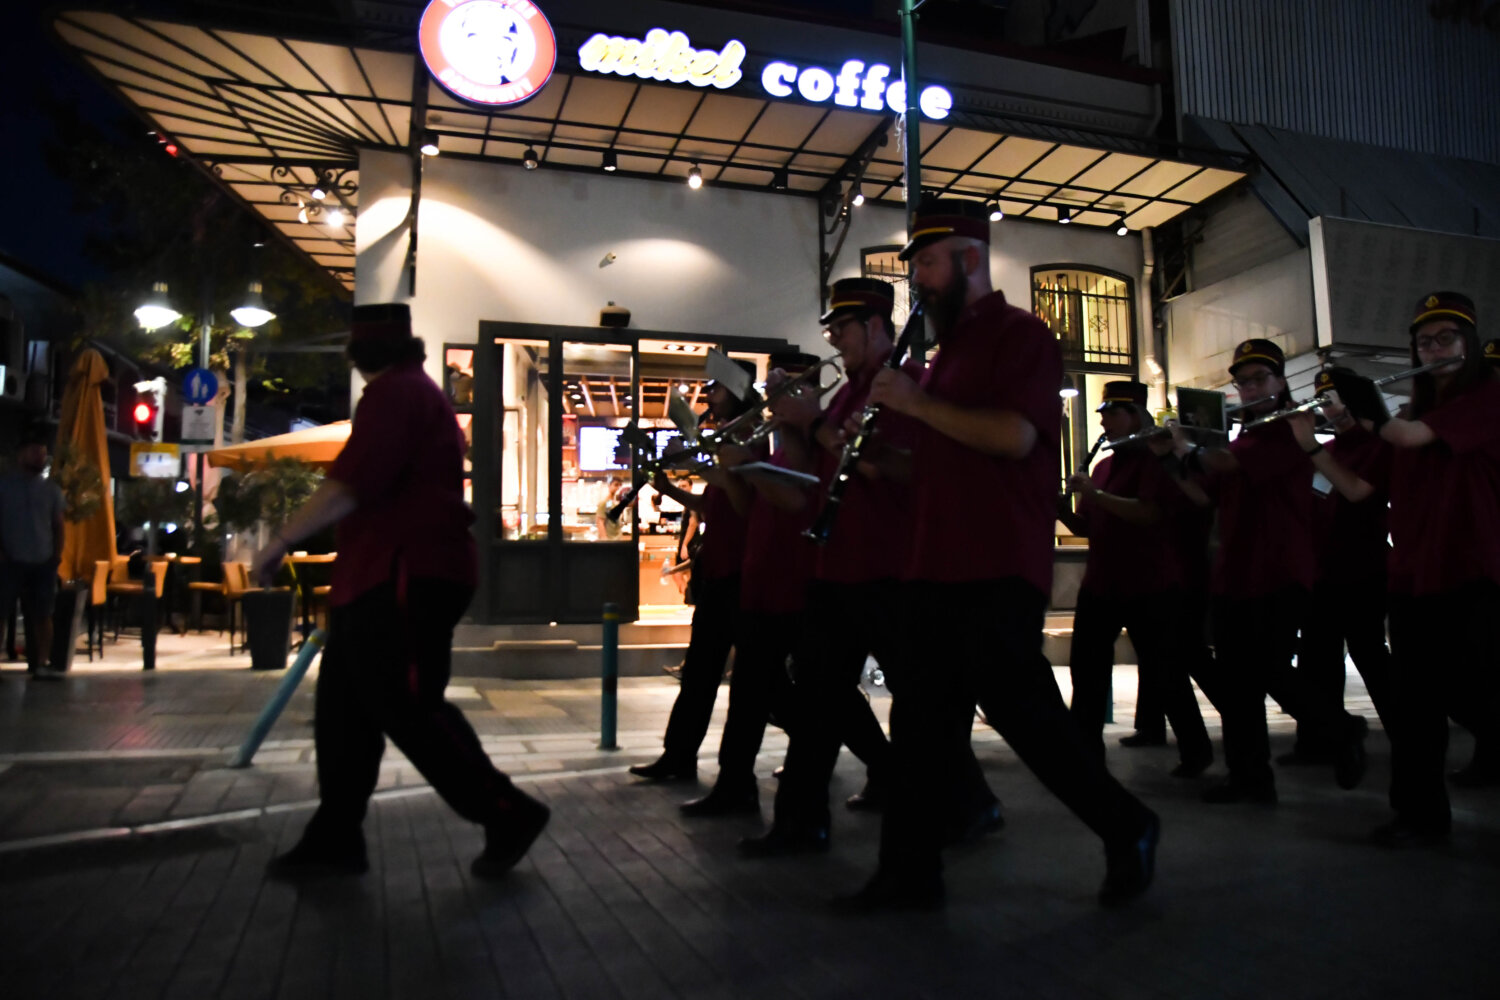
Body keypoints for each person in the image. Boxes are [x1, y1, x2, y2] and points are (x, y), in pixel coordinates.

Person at [847, 199, 1159, 910]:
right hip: (936, 562)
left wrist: (917, 404)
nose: (918, 279)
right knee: (920, 724)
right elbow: (940, 461)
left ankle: (1128, 823)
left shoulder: (1021, 335)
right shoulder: (947, 353)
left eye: (928, 263)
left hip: (993, 563)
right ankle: (908, 874)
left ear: (970, 259)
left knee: (1027, 719)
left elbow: (1016, 437)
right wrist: (880, 459)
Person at [252, 303, 549, 880]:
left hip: (401, 573)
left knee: (406, 706)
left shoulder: (394, 396)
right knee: (346, 711)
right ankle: (336, 834)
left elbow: (348, 486)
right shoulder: (417, 394)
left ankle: (506, 810)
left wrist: (281, 540)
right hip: (389, 573)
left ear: (357, 353)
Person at [739, 277, 998, 859]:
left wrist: (814, 424)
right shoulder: (844, 396)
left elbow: (905, 471)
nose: (833, 338)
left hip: (887, 568)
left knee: (919, 701)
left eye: (843, 327)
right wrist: (790, 423)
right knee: (817, 701)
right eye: (831, 327)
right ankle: (801, 823)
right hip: (835, 565)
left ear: (876, 326)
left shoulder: (901, 386)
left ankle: (971, 801)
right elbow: (810, 475)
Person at [1168, 339, 1367, 803]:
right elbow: (1203, 495)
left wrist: (1186, 448)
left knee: (1268, 670)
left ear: (1280, 381)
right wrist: (1167, 458)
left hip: (1278, 569)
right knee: (1238, 683)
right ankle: (1249, 777)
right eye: (1243, 382)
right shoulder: (1246, 435)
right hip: (1234, 572)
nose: (1251, 388)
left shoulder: (1287, 430)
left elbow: (1222, 463)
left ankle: (1339, 728)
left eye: (1260, 379)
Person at [1336, 293, 1500, 842]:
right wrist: (1314, 445)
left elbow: (1406, 438)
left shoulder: (1488, 397)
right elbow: (1361, 486)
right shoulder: (1411, 412)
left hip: (1472, 570)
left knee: (1469, 690)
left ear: (1468, 344)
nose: (1434, 349)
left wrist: (1366, 406)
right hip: (1411, 572)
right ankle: (1420, 815)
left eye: (1446, 338)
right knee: (1414, 704)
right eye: (1425, 342)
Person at [1058, 381, 1213, 777]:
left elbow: (1149, 513)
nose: (1104, 422)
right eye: (1103, 414)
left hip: (1150, 585)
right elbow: (1089, 526)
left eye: (1112, 414)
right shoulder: (1103, 467)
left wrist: (1095, 495)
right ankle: (1084, 752)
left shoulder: (1156, 461)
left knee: (1166, 672)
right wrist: (1061, 509)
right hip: (1101, 584)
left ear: (1135, 417)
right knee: (1087, 671)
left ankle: (1196, 751)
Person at [629, 364, 759, 781]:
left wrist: (705, 465)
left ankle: (809, 747)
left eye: (716, 388)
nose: (708, 396)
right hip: (720, 571)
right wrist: (667, 488)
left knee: (754, 683)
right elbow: (709, 506)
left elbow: (746, 506)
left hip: (742, 574)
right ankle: (678, 756)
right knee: (701, 672)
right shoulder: (727, 437)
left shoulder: (751, 439)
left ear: (737, 390)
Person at [1282, 371, 1394, 766]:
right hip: (1322, 570)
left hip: (1363, 568)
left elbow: (1355, 490)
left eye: (1331, 399)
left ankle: (1409, 739)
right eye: (1321, 400)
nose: (1326, 409)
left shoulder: (1378, 444)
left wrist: (1312, 447)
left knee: (1369, 655)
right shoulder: (1331, 448)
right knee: (1316, 659)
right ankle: (1318, 740)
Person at [0, 425, 65, 681]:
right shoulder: (4, 486)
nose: (40, 457)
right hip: (9, 560)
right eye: (35, 452)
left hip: (42, 561)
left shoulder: (51, 490)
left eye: (43, 453)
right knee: (1, 612)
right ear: (21, 454)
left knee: (43, 614)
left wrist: (56, 556)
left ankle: (41, 662)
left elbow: (59, 525)